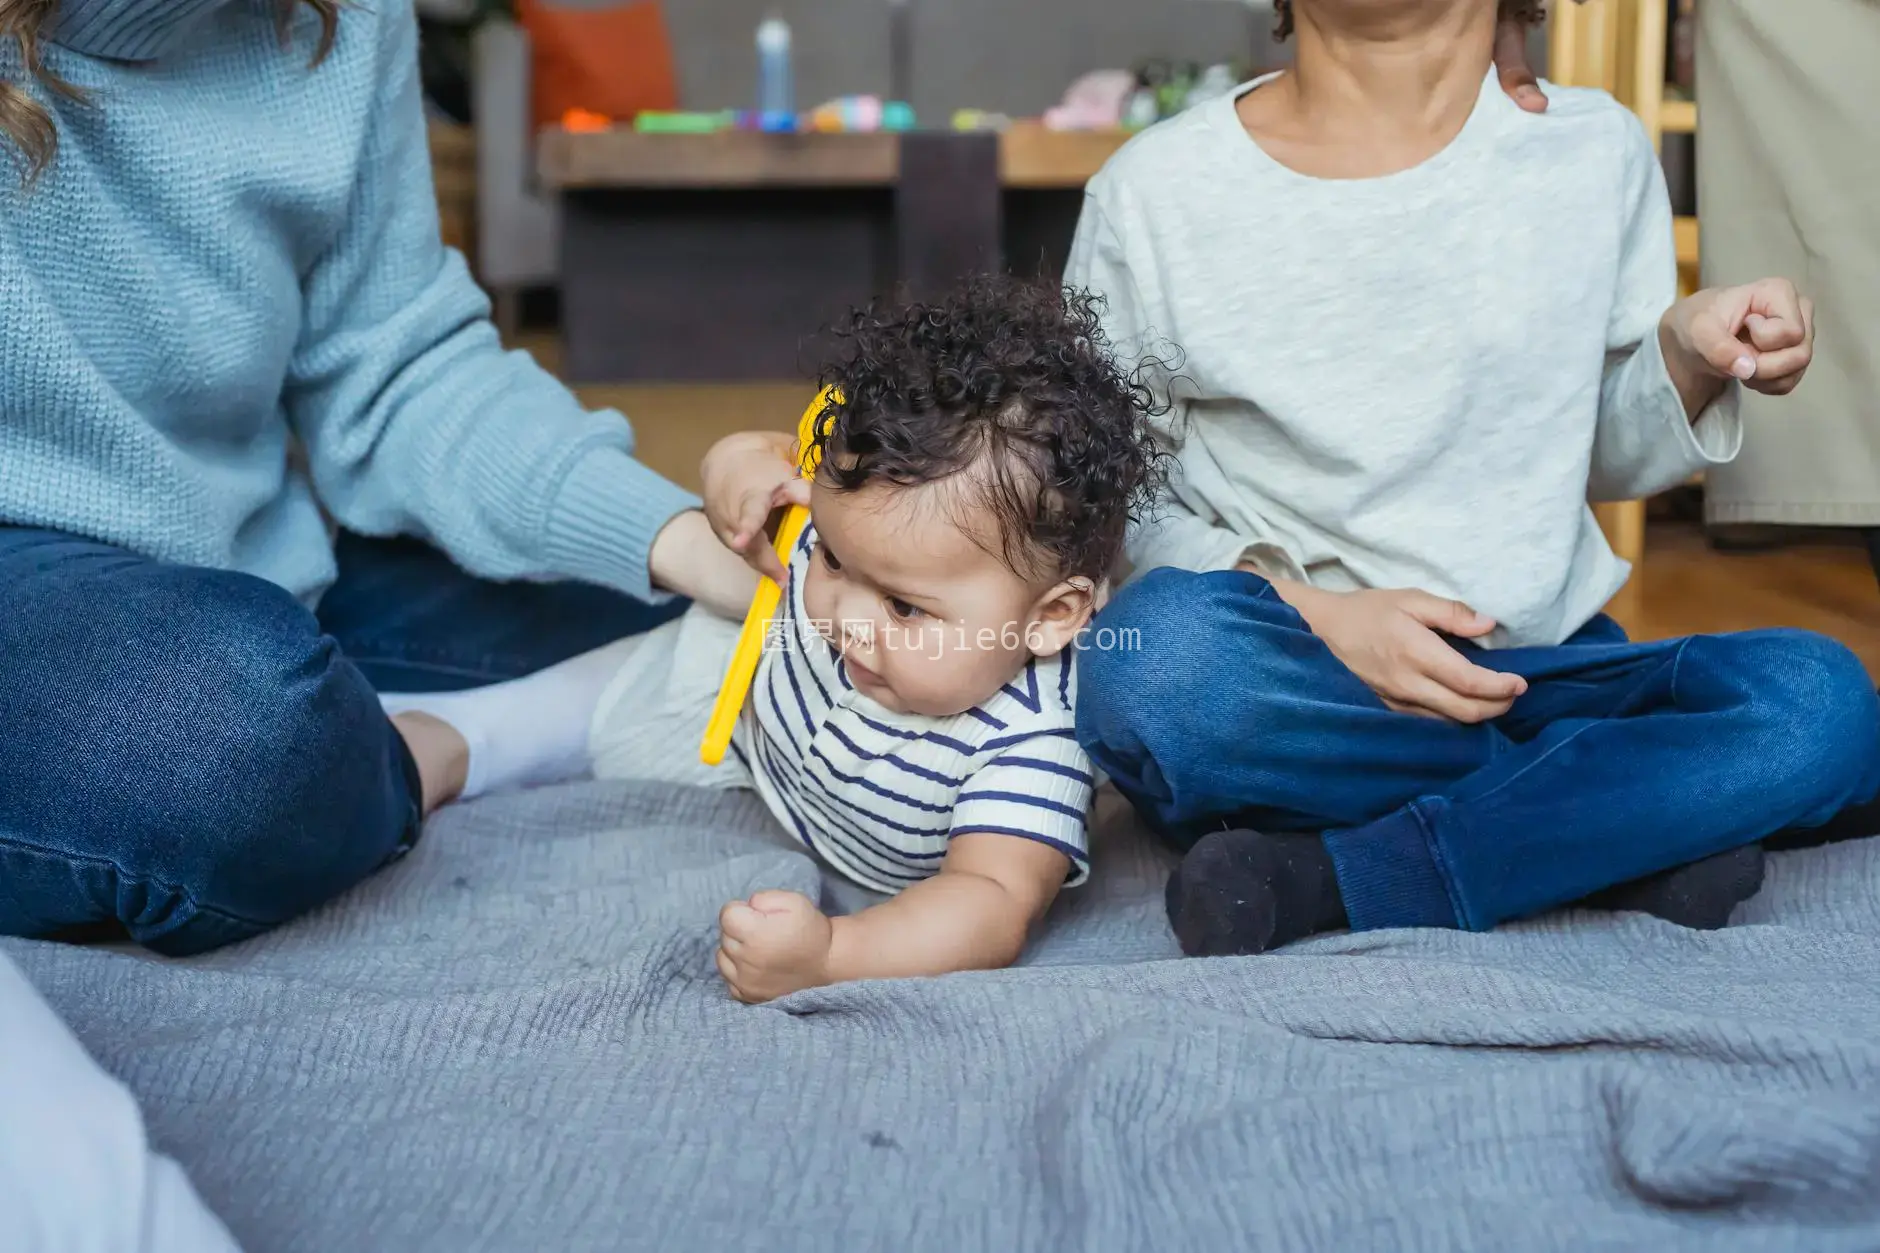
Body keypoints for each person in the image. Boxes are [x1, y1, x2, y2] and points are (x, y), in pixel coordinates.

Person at [1065, 0, 1877, 957]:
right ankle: (1615, 824)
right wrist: (1322, 619)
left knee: (1816, 698)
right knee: (1149, 664)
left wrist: (1687, 357)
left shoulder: (1594, 153)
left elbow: (1606, 453)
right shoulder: (1153, 191)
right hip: (1301, 681)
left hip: (1546, 673)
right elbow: (1118, 496)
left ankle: (1345, 873)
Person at [0, 0, 757, 956]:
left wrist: (690, 540)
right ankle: (395, 755)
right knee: (229, 732)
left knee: (704, 632)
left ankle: (338, 743)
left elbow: (399, 370)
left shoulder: (349, 17)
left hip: (247, 561)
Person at [389, 279, 1165, 1002]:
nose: (843, 616)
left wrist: (835, 954)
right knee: (639, 675)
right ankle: (463, 730)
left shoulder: (1034, 742)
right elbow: (761, 459)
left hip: (836, 812)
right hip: (744, 710)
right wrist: (730, 468)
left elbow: (989, 904)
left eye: (903, 607)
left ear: (1052, 617)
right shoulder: (875, 539)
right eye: (830, 555)